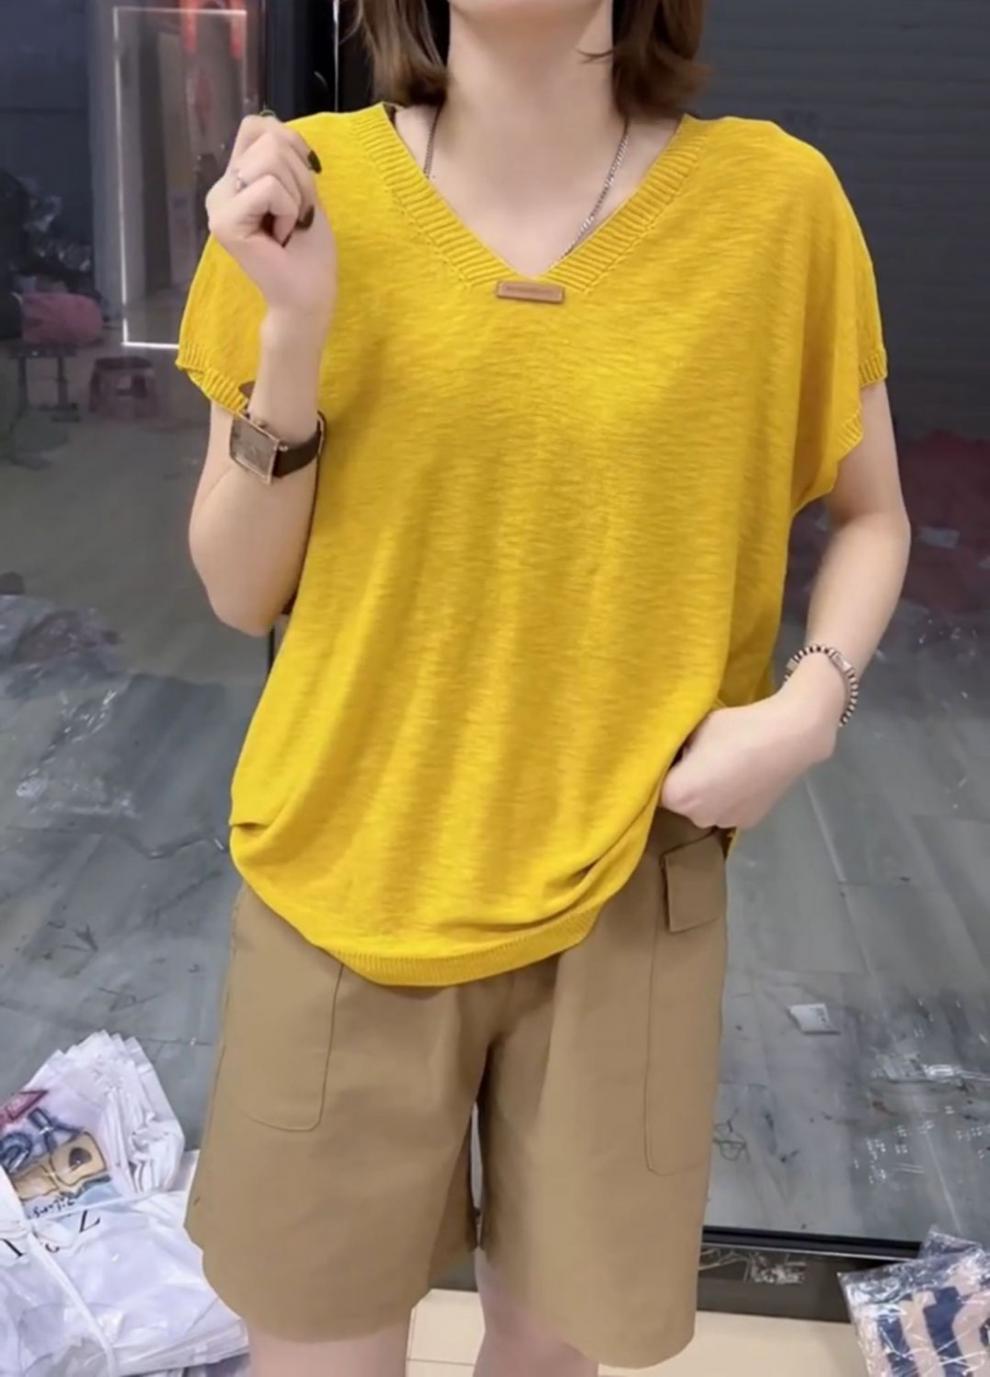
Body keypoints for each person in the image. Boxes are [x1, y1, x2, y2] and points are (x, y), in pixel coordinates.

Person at [176, 0, 911, 1372]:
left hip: (625, 879)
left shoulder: (775, 207)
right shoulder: (304, 187)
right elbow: (235, 588)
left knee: (550, 1352)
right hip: (341, 872)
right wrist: (295, 330)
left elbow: (873, 514)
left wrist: (809, 708)